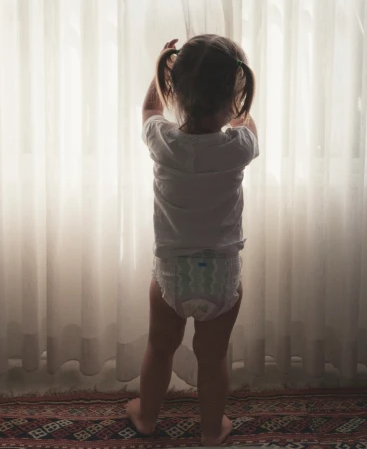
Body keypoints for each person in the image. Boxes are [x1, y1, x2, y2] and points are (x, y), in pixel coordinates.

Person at [126, 34, 259, 446]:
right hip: (221, 276)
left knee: (160, 348)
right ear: (235, 95)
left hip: (173, 276)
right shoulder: (238, 147)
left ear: (174, 91)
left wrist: (159, 74)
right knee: (213, 356)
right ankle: (209, 429)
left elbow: (150, 108)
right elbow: (247, 122)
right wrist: (238, 103)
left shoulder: (163, 143)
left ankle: (147, 418)